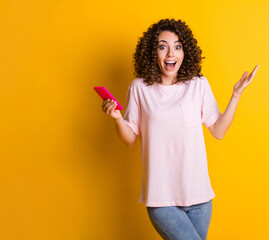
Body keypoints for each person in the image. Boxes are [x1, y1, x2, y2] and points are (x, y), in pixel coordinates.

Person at [101, 18, 260, 240]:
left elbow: (218, 131)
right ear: (152, 52)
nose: (170, 54)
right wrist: (117, 118)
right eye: (162, 46)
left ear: (185, 53)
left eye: (177, 47)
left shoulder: (198, 85)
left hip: (200, 199)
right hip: (162, 200)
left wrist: (236, 95)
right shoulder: (139, 89)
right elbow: (129, 139)